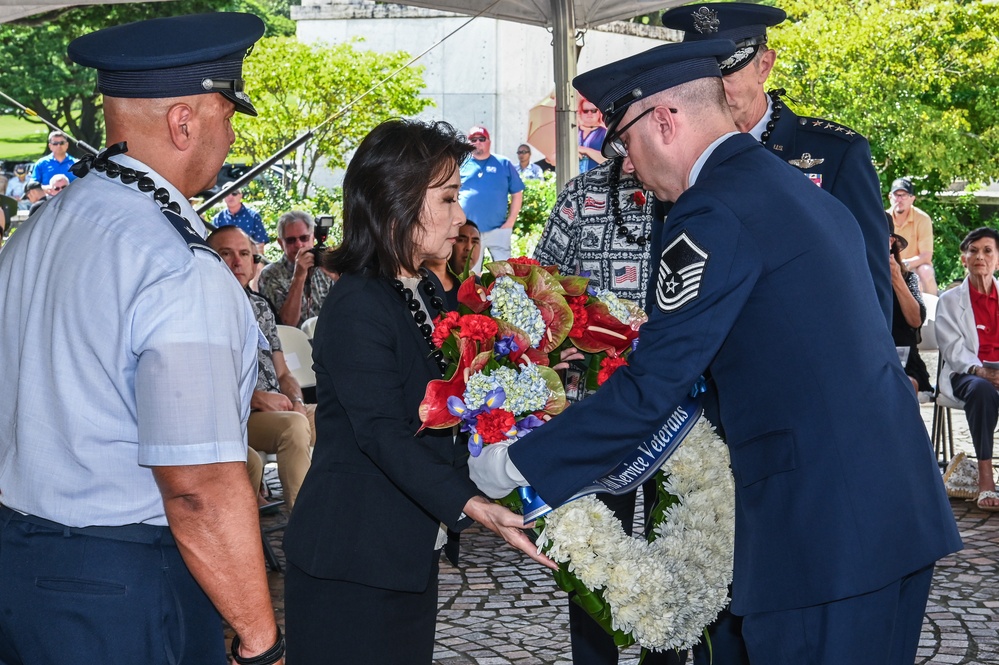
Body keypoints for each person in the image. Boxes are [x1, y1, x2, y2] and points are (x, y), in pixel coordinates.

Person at [469, 40, 962, 665]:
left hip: (818, 534)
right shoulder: (794, 188)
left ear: (665, 121)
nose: (626, 166)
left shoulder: (711, 212)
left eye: (623, 142)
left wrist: (516, 464)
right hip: (887, 512)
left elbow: (654, 384)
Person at [0, 13, 285, 665]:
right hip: (121, 585)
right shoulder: (175, 265)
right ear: (184, 121)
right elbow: (198, 484)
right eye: (226, 114)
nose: (231, 132)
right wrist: (261, 639)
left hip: (21, 561)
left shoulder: (41, 230)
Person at [282, 118, 556, 665]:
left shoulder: (425, 286)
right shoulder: (359, 302)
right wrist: (473, 505)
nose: (461, 216)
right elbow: (381, 432)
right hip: (353, 557)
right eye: (449, 198)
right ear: (397, 201)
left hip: (403, 549)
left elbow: (464, 389)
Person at [534, 157, 683, 665]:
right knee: (595, 553)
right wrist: (562, 339)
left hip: (680, 409)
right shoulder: (581, 195)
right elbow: (538, 285)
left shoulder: (694, 188)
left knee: (677, 547)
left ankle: (666, 654)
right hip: (595, 407)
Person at [662, 3, 891, 328]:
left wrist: (880, 373)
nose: (713, 87)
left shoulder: (837, 153)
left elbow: (870, 279)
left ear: (764, 66)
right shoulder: (675, 157)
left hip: (807, 357)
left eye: (727, 69)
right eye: (700, 73)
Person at [208, 225, 315, 509]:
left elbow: (282, 372)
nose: (237, 262)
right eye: (226, 253)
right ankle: (303, 533)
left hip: (277, 408)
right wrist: (256, 398)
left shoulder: (260, 306)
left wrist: (295, 400)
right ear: (209, 258)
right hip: (236, 417)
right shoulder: (202, 307)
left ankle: (348, 520)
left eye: (245, 254)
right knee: (293, 426)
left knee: (342, 415)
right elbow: (207, 381)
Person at [935, 227, 999, 512]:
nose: (979, 257)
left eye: (987, 251)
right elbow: (952, 349)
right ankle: (986, 478)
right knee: (983, 390)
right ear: (964, 258)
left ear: (997, 259)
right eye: (973, 251)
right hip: (968, 374)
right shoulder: (950, 301)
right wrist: (983, 371)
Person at [458, 125, 524, 270]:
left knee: (505, 273)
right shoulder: (461, 164)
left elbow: (517, 193)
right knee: (470, 273)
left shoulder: (504, 163)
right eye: (473, 139)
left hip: (498, 229)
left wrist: (510, 222)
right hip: (469, 230)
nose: (477, 142)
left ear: (489, 141)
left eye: (482, 139)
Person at [258, 209, 333, 326]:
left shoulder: (325, 269)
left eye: (304, 238)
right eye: (291, 240)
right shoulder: (270, 274)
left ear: (313, 238)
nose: (298, 245)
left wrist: (338, 277)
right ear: (281, 243)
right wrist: (299, 276)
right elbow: (287, 324)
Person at [889, 217, 932, 400]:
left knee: (904, 384)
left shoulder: (908, 278)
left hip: (903, 359)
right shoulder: (858, 274)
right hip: (868, 358)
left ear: (891, 242)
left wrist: (896, 278)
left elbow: (915, 320)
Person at [888, 176, 938, 295]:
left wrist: (904, 265)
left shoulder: (923, 219)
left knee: (925, 271)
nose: (899, 199)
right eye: (896, 195)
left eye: (904, 195)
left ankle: (933, 310)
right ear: (890, 197)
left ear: (912, 199)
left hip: (913, 266)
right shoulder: (883, 218)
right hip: (890, 266)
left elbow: (926, 256)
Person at [577, 95, 607, 173]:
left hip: (598, 181)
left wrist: (586, 150)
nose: (589, 114)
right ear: (580, 113)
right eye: (585, 111)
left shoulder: (605, 133)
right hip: (573, 180)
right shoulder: (573, 133)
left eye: (593, 110)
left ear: (599, 113)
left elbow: (609, 161)